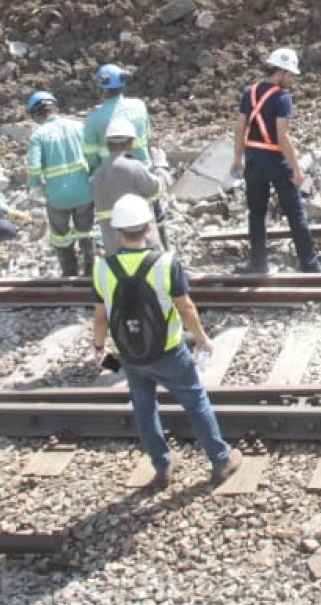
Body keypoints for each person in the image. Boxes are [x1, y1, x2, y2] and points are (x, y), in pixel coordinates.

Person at [91, 195, 243, 490]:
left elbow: (100, 317)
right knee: (195, 400)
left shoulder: (102, 268)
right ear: (148, 228)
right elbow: (185, 306)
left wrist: (99, 348)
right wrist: (201, 338)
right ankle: (220, 459)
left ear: (118, 232)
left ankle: (162, 465)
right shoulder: (165, 263)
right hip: (169, 350)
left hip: (130, 355)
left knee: (144, 406)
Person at [230, 47, 321, 275]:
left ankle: (258, 262)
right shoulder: (282, 98)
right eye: (290, 74)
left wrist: (237, 158)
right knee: (295, 213)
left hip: (254, 161)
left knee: (257, 213)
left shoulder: (248, 93)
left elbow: (240, 128)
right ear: (279, 72)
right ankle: (309, 265)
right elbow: (283, 136)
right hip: (277, 163)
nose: (292, 79)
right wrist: (297, 168)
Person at [25, 90, 96, 277]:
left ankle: (69, 271)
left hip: (57, 197)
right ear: (54, 107)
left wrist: (35, 185)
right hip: (84, 192)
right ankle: (90, 270)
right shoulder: (78, 127)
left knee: (60, 235)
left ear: (36, 114)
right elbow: (92, 154)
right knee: (86, 231)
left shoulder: (38, 136)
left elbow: (33, 166)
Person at [93, 118, 163, 259]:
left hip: (112, 243)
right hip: (141, 239)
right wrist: (161, 168)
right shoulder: (134, 167)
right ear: (130, 143)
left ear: (107, 144)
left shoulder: (98, 174)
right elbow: (154, 188)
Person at [83, 64, 150, 173]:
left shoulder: (93, 119)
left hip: (112, 177)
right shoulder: (139, 106)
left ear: (101, 89)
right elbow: (147, 137)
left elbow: (91, 157)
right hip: (144, 172)